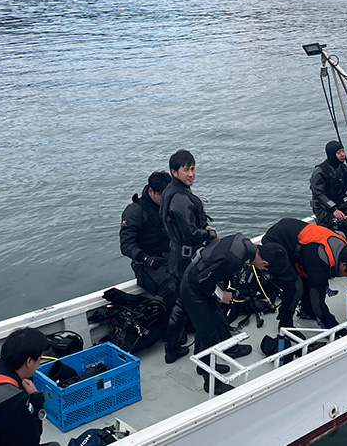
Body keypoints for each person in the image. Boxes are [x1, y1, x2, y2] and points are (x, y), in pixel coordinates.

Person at [178, 234, 287, 395]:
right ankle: (211, 382)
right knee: (208, 334)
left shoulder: (244, 243)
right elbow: (201, 280)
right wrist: (220, 295)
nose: (260, 270)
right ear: (264, 263)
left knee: (213, 322)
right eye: (263, 269)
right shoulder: (235, 260)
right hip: (193, 289)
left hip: (201, 281)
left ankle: (204, 363)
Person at [119, 171, 189, 364]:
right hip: (146, 266)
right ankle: (172, 335)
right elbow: (126, 245)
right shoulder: (134, 211)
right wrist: (145, 258)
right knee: (172, 288)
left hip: (171, 258)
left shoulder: (170, 205)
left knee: (196, 279)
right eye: (162, 196)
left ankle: (189, 321)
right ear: (151, 191)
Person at [261, 218, 347, 330]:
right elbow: (318, 304)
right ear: (343, 265)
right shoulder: (320, 263)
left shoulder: (342, 244)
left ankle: (307, 311)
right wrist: (336, 330)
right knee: (295, 286)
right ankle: (285, 324)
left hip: (292, 231)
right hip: (275, 242)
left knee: (308, 280)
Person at [160, 149, 219, 279]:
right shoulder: (179, 198)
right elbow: (190, 235)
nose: (191, 174)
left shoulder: (171, 189)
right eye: (186, 170)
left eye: (193, 169)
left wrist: (204, 227)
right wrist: (211, 234)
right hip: (186, 260)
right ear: (174, 172)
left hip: (177, 256)